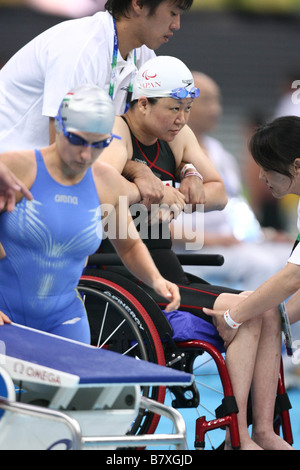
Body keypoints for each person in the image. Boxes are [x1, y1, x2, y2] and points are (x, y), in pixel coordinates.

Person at [96, 55, 293, 450]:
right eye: (174, 108)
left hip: (165, 266)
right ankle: (236, 436)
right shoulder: (117, 132)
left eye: (187, 109)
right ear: (142, 103)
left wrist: (187, 180)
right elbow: (100, 185)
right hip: (120, 269)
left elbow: (220, 193)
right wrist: (144, 181)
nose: (182, 118)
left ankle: (263, 431)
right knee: (248, 314)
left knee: (263, 311)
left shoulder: (177, 138)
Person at [0, 84, 180, 345]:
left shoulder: (106, 182)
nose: (86, 154)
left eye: (99, 144)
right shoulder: (16, 168)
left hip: (65, 320)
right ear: (59, 127)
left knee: (76, 384)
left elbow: (129, 246)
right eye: (78, 141)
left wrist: (156, 279)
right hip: (4, 313)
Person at [0, 0, 195, 210]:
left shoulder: (144, 56)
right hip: (12, 184)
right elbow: (62, 154)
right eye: (173, 13)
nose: (177, 25)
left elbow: (157, 137)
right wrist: (138, 173)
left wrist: (189, 171)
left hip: (53, 185)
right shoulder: (80, 48)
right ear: (138, 4)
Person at [171, 72, 293, 290]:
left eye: (218, 101)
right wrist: (210, 239)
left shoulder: (220, 154)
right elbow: (152, 224)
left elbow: (236, 208)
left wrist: (263, 234)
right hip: (189, 252)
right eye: (207, 100)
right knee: (261, 265)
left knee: (289, 256)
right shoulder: (166, 150)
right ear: (183, 103)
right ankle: (246, 322)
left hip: (226, 244)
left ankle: (281, 323)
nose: (216, 109)